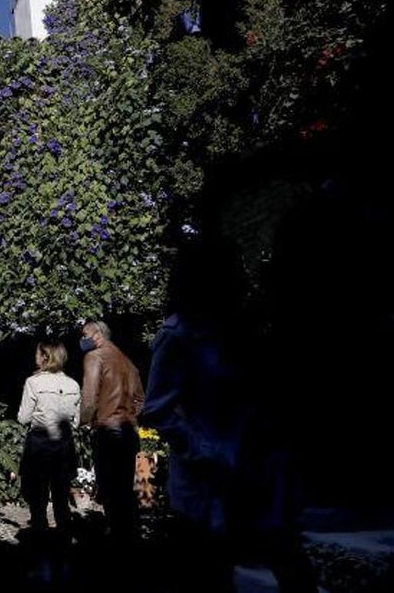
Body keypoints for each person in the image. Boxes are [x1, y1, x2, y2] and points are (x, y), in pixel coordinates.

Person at [143, 239, 317, 593]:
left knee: (288, 561)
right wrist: (203, 451)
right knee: (215, 569)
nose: (241, 275)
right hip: (213, 478)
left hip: (258, 466)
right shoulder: (179, 335)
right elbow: (158, 408)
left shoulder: (244, 328)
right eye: (231, 269)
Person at [79, 319, 144, 548]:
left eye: (85, 333)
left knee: (110, 491)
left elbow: (89, 397)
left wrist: (85, 420)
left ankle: (116, 544)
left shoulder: (94, 357)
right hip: (129, 432)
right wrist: (128, 416)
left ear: (97, 334)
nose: (82, 338)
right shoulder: (127, 361)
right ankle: (130, 541)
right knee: (126, 491)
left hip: (107, 430)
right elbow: (140, 400)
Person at [16, 341, 81, 534]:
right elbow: (76, 421)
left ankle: (39, 531)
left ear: (45, 356)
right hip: (64, 444)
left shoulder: (33, 383)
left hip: (40, 443)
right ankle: (64, 534)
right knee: (61, 492)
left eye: (38, 354)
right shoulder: (73, 384)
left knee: (37, 493)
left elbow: (23, 418)